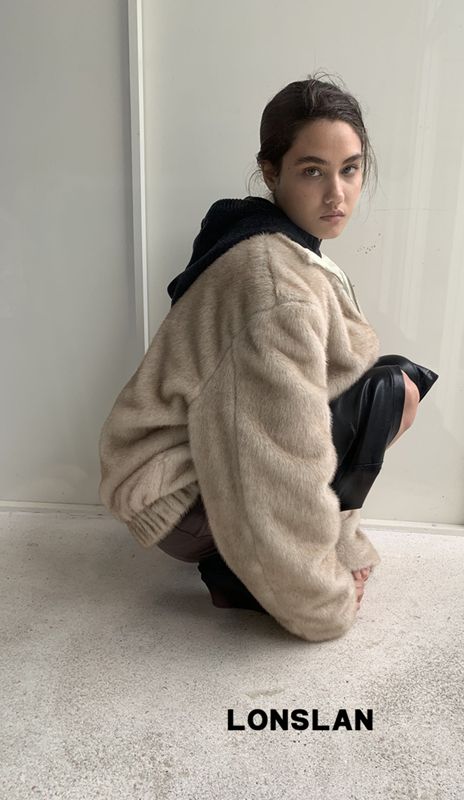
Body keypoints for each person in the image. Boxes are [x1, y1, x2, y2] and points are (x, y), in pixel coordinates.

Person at [98, 73, 438, 642]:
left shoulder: (276, 242)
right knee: (390, 393)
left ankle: (245, 566)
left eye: (350, 169)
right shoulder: (273, 284)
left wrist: (342, 540)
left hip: (197, 462)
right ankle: (238, 569)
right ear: (271, 172)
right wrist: (322, 599)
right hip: (179, 497)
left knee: (390, 380)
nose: (337, 195)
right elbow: (279, 460)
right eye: (313, 171)